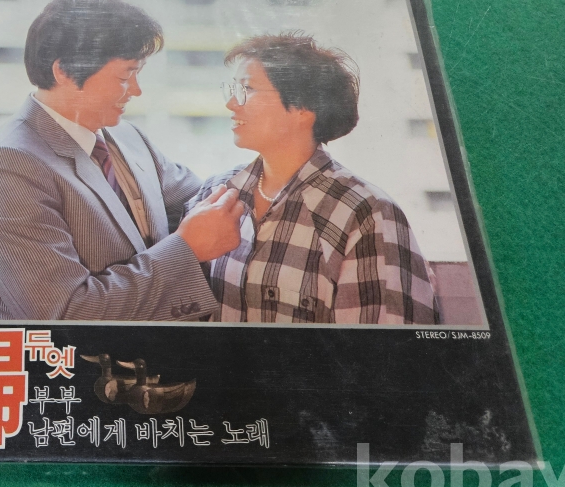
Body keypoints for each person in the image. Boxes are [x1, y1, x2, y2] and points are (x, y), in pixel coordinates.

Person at [0, 0, 243, 321]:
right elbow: (66, 313)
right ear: (64, 72)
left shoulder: (127, 137)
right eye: (124, 76)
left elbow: (203, 201)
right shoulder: (6, 167)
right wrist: (186, 249)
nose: (136, 90)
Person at [187, 33, 440, 324]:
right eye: (232, 89)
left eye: (247, 89)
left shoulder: (367, 213)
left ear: (304, 109)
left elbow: (383, 345)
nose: (231, 103)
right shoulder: (215, 192)